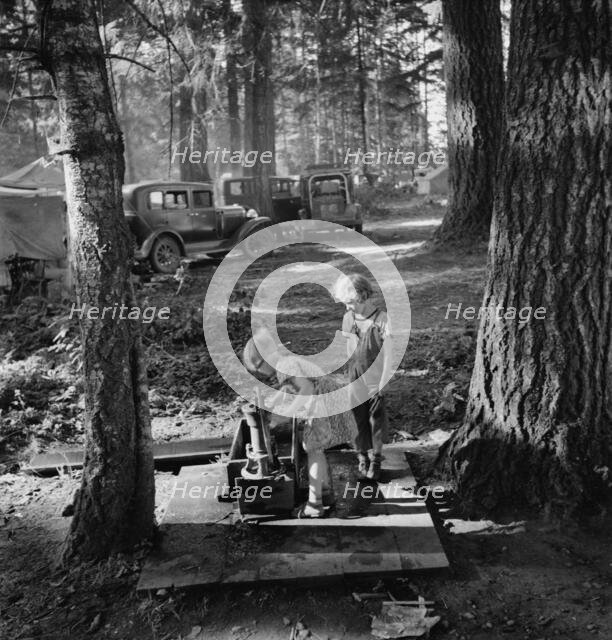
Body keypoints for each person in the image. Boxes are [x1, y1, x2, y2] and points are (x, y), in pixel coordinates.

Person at [243, 329, 357, 518]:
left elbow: (306, 389)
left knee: (312, 449)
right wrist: (273, 402)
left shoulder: (285, 367)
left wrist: (284, 416)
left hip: (325, 404)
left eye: (259, 369)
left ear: (265, 360)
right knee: (315, 448)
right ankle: (325, 492)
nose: (261, 374)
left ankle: (315, 504)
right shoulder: (286, 363)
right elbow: (290, 388)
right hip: (329, 401)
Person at [334, 273, 391, 481]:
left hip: (375, 379)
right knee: (356, 420)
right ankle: (362, 456)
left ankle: (376, 459)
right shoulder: (348, 318)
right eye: (345, 304)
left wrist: (384, 381)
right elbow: (350, 350)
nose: (347, 307)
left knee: (376, 421)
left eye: (350, 303)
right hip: (355, 377)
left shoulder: (382, 320)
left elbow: (390, 357)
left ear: (363, 296)